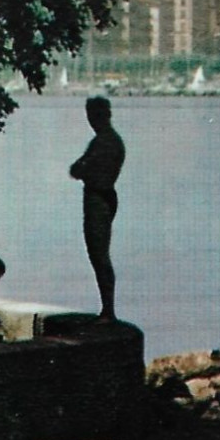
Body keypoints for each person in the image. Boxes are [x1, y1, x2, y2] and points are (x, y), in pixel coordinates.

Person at [70, 96, 125, 322]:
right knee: (97, 255)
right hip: (99, 197)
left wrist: (84, 169)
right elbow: (77, 169)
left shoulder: (106, 142)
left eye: (93, 115)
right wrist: (83, 168)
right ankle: (107, 309)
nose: (91, 120)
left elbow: (83, 170)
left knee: (99, 255)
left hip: (99, 199)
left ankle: (108, 310)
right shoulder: (103, 141)